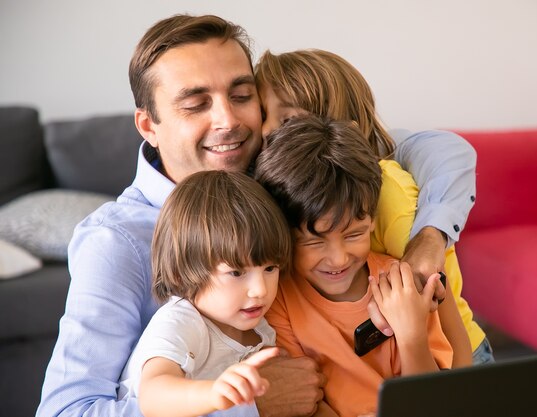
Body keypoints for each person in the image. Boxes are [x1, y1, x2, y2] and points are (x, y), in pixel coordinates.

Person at [37, 14, 479, 417]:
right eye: (196, 104)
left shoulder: (277, 171)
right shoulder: (116, 242)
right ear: (148, 125)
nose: (228, 120)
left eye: (241, 95)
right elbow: (65, 412)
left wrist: (431, 236)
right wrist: (248, 406)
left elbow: (437, 147)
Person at [254, 48, 494, 365]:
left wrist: (461, 372)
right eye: (262, 116)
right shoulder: (281, 185)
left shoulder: (389, 197)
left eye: (287, 120)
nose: (266, 131)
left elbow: (434, 287)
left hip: (450, 354)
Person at [255, 115, 453, 417]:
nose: (338, 258)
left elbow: (433, 404)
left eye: (354, 234)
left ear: (371, 221)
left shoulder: (402, 285)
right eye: (314, 241)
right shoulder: (276, 298)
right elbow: (303, 402)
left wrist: (410, 333)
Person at [117, 170, 291, 416]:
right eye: (236, 273)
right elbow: (153, 396)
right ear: (180, 273)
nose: (260, 290)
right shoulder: (182, 321)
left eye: (270, 268)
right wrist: (213, 394)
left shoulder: (259, 328)